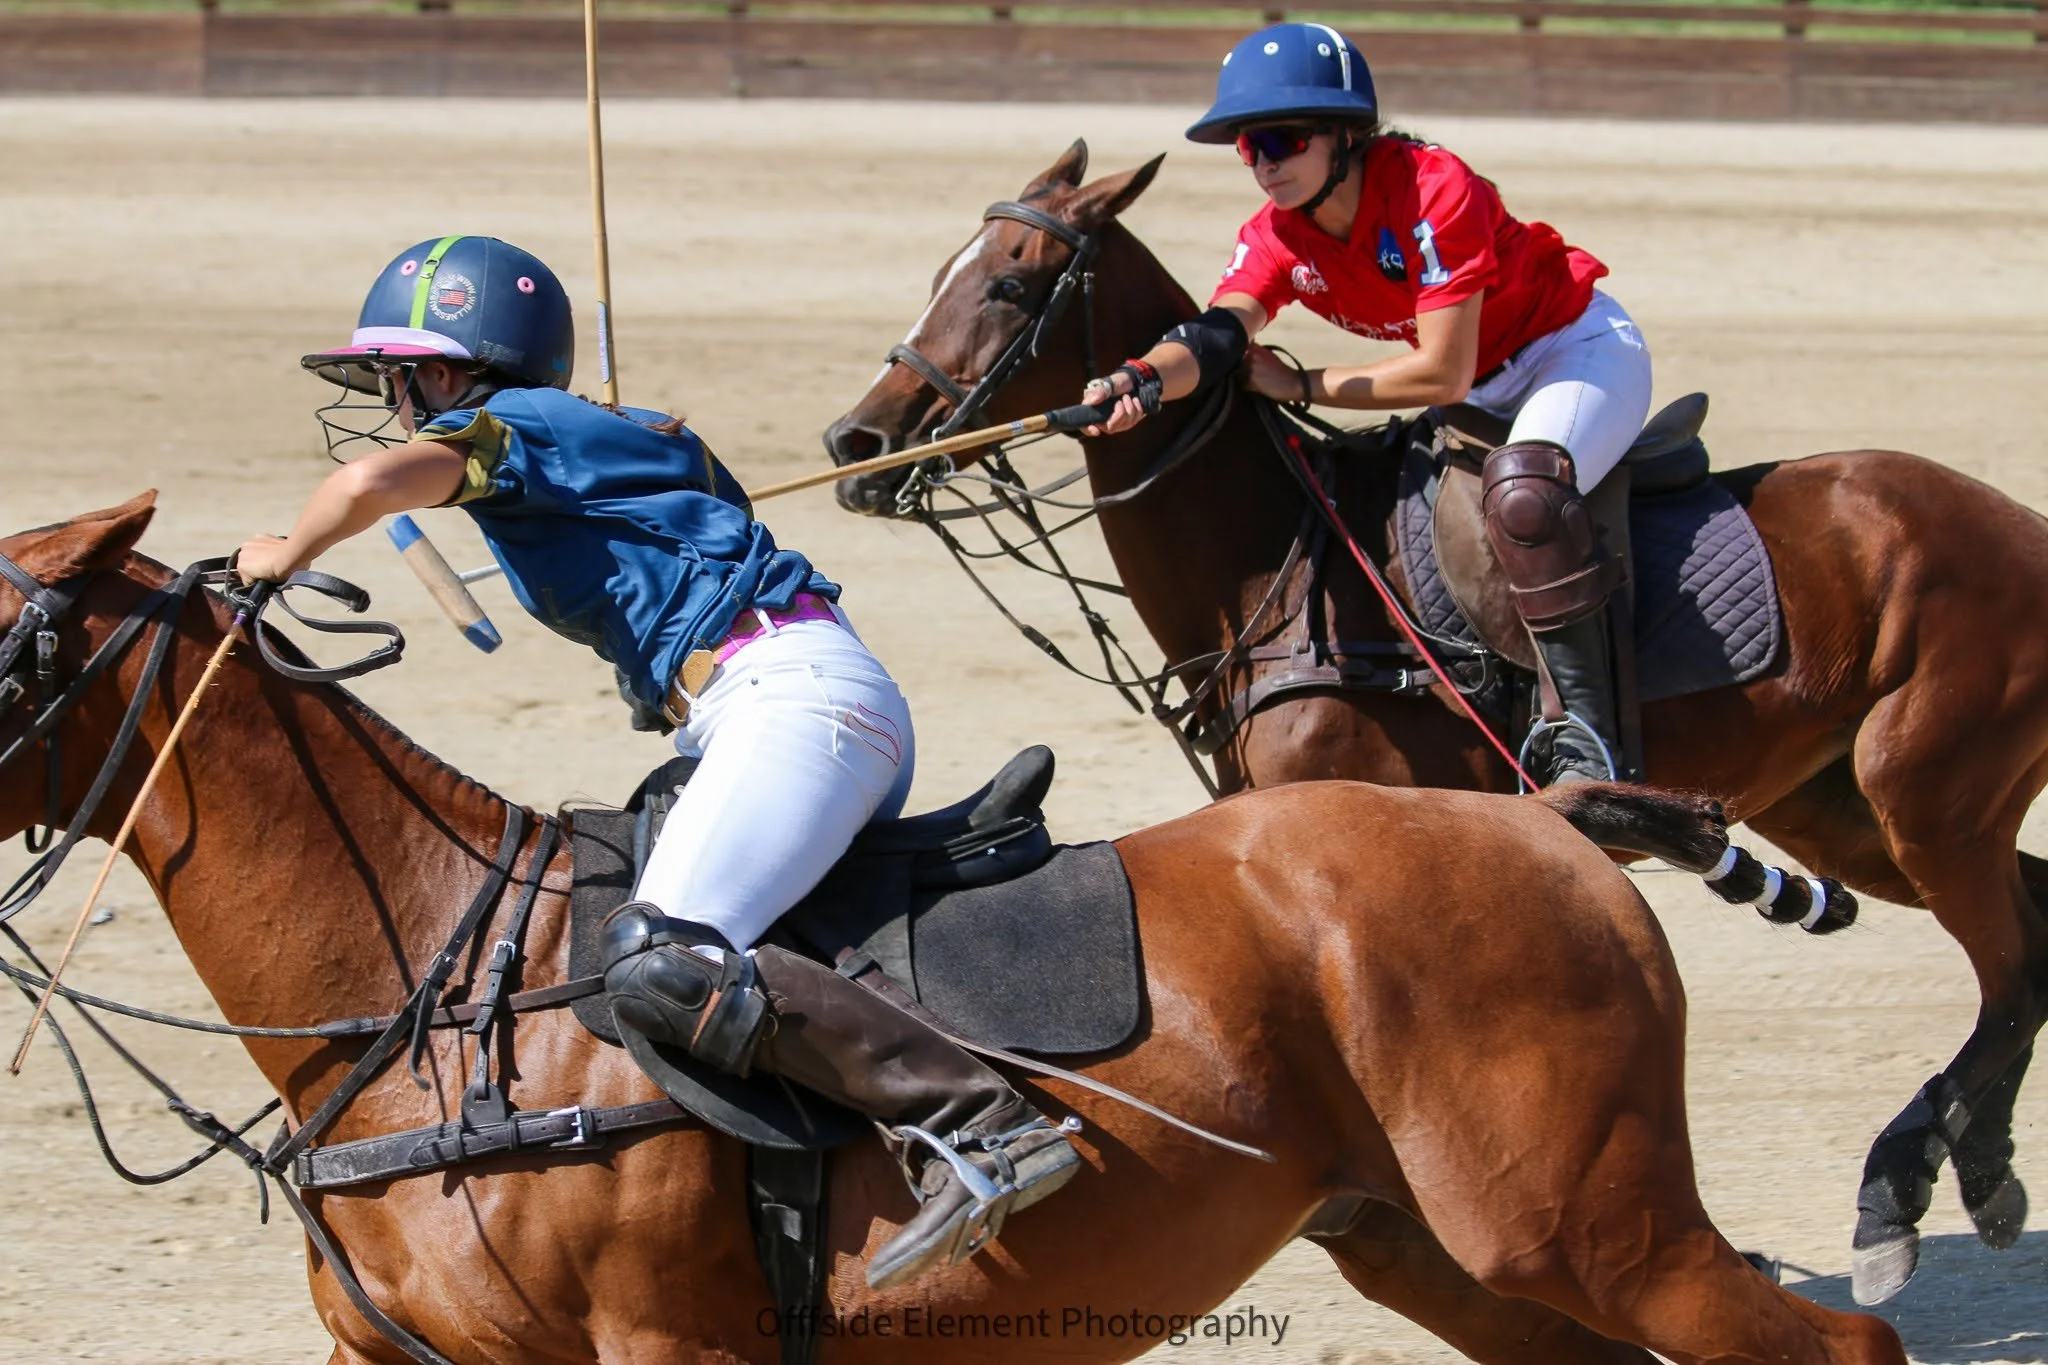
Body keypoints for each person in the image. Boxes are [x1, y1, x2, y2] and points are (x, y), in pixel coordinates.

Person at [237, 235, 1077, 1287]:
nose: (396, 407)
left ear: (449, 374)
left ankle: (985, 1125)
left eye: (399, 382)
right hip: (785, 702)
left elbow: (371, 480)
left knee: (663, 953)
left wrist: (284, 555)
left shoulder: (510, 430)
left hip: (791, 707)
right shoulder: (617, 434)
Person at [1080, 23, 1653, 785]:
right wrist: (1141, 380)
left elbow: (1441, 374)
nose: (1265, 164)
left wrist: (1303, 385)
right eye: (1249, 147)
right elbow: (1220, 334)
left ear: (1346, 135)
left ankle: (1587, 740)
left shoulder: (1433, 188)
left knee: (1527, 497)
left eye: (1283, 140)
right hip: (1481, 389)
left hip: (1571, 353)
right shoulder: (1278, 234)